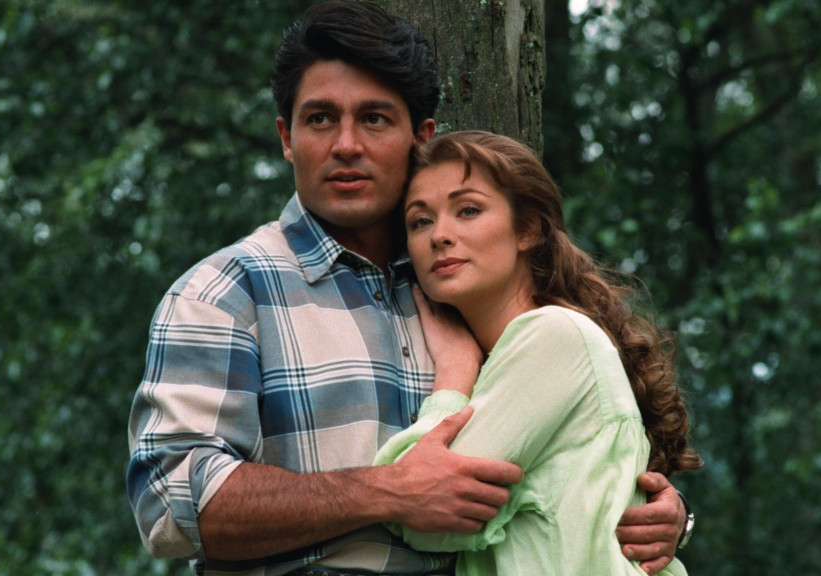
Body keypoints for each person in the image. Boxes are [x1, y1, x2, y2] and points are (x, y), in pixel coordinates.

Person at [127, 2, 691, 575]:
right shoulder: (225, 292)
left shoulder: (462, 283)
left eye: (374, 119)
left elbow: (571, 452)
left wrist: (655, 510)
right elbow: (169, 507)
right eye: (320, 119)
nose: (347, 144)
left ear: (419, 138)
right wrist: (385, 492)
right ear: (286, 137)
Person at [373, 130, 703, 575]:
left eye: (468, 210)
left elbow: (422, 519)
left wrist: (453, 374)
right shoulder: (536, 346)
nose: (440, 236)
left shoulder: (554, 336)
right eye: (420, 221)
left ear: (527, 229)